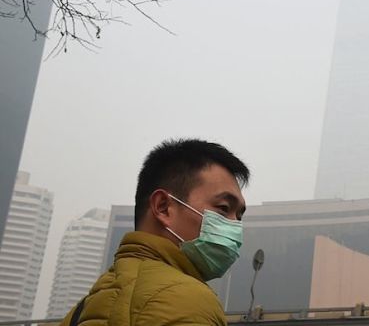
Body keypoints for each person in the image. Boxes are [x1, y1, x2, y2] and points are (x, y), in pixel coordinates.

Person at [60, 138, 249, 326]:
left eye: (239, 216)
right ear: (163, 207)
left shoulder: (82, 309)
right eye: (223, 208)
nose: (234, 225)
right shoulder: (186, 299)